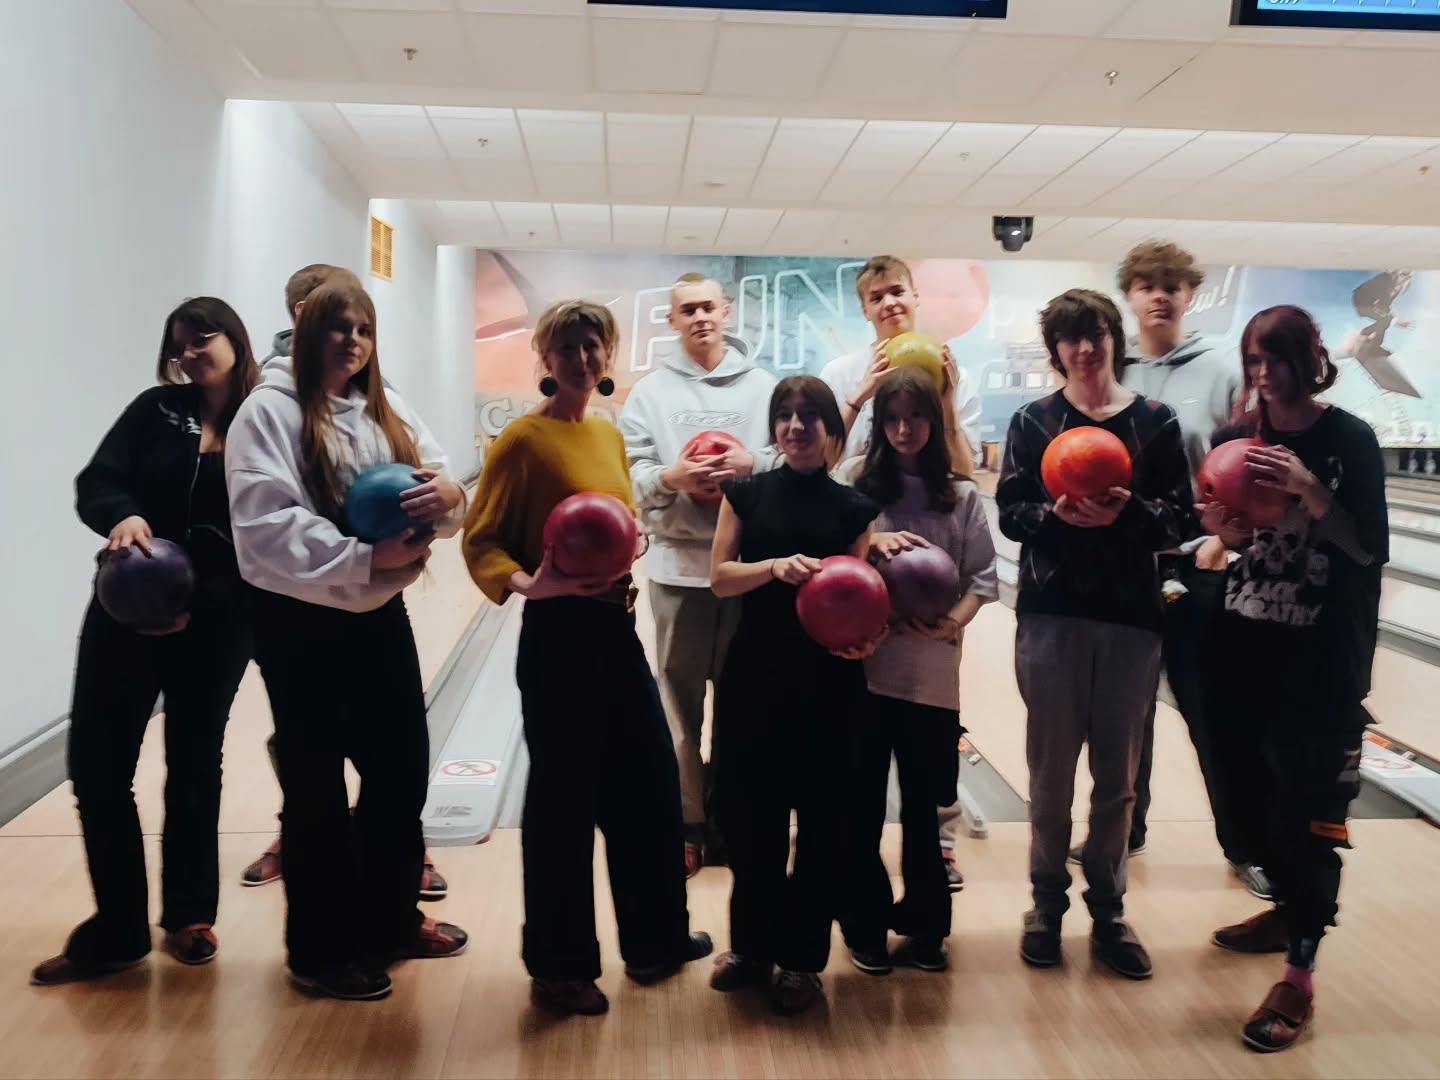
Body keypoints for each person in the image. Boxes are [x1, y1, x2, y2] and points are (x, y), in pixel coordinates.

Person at [461, 300, 712, 1018]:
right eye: (567, 346)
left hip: (614, 627)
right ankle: (560, 967)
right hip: (557, 637)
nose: (581, 358)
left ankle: (656, 939)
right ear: (546, 358)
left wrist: (630, 541)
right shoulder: (523, 440)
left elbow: (613, 520)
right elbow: (481, 539)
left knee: (650, 782)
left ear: (608, 354)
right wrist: (527, 583)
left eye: (592, 344)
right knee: (563, 804)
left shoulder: (604, 432)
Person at [227, 281, 469, 1002]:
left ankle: (390, 921)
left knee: (401, 772)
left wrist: (451, 498)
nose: (353, 341)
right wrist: (366, 557)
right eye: (338, 327)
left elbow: (438, 475)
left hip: (378, 617)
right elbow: (264, 529)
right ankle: (321, 953)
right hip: (300, 625)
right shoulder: (268, 411)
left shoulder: (381, 406)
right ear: (306, 331)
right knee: (317, 793)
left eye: (363, 328)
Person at [32, 298, 260, 985]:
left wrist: (202, 603)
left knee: (194, 766)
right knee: (98, 771)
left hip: (215, 623)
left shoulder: (268, 419)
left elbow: (273, 531)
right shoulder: (155, 411)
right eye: (179, 344)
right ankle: (118, 929)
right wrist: (124, 513)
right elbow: (97, 482)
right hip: (123, 615)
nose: (190, 353)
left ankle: (190, 916)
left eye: (202, 338)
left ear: (235, 338)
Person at [1200, 306, 1387, 1053]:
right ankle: (1286, 909)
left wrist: (1313, 490)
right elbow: (1224, 536)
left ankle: (1299, 976)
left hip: (1322, 665)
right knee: (1246, 808)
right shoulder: (1237, 438)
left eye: (1279, 357)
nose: (1266, 373)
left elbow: (1368, 547)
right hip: (1242, 650)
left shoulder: (1350, 441)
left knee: (1310, 821)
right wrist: (1221, 531)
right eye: (1255, 358)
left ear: (1310, 360)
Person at [996, 289, 1192, 980]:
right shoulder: (1033, 420)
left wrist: (1126, 514)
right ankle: (1046, 906)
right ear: (1056, 351)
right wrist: (1055, 519)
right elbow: (1011, 512)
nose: (1085, 348)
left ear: (1115, 339)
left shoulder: (1156, 423)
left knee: (1118, 779)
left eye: (1096, 333)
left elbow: (1180, 518)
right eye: (1071, 338)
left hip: (1131, 619)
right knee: (1051, 776)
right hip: (1052, 615)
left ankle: (1108, 912)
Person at [1082, 240, 1272, 901]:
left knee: (1213, 713)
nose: (1160, 295)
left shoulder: (1221, 372)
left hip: (1199, 565)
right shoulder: (1113, 370)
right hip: (1126, 568)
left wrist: (1225, 539)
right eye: (1146, 284)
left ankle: (1247, 845)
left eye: (1172, 284)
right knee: (1125, 715)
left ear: (1191, 294)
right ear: (1129, 295)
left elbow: (1250, 462)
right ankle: (1123, 832)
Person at [707, 375, 882, 1015]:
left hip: (829, 684)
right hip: (754, 679)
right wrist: (774, 568)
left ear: (832, 428)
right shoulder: (746, 494)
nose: (797, 426)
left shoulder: (853, 509)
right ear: (775, 427)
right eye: (785, 414)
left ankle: (802, 961)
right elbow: (720, 578)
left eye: (810, 415)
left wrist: (867, 641)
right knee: (751, 823)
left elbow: (863, 596)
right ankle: (752, 949)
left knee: (822, 828)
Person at [820, 253, 982, 891]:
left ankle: (938, 850)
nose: (889, 303)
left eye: (898, 292)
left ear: (915, 297)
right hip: (867, 611)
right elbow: (826, 472)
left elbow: (962, 473)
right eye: (876, 296)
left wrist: (945, 399)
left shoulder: (949, 369)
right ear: (865, 310)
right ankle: (851, 866)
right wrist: (861, 393)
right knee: (860, 757)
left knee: (930, 751)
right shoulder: (842, 373)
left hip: (931, 604)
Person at [840, 368, 998, 975]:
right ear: (878, 424)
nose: (904, 429)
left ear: (934, 420)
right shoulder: (857, 484)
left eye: (916, 417)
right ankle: (865, 926)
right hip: (865, 673)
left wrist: (949, 623)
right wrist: (868, 544)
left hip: (931, 679)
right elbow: (830, 556)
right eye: (892, 418)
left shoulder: (960, 496)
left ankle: (927, 928)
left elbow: (982, 579)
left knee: (925, 812)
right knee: (859, 811)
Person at [620, 272, 777, 877]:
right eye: (688, 310)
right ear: (672, 321)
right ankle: (685, 822)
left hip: (745, 569)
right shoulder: (651, 393)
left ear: (727, 311)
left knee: (744, 702)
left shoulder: (764, 387)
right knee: (678, 705)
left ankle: (733, 816)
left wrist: (751, 461)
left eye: (709, 306)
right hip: (677, 569)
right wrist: (671, 477)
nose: (701, 317)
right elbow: (631, 469)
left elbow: (790, 454)